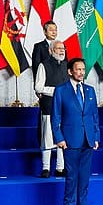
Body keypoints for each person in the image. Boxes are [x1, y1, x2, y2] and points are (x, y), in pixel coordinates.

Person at [51, 57, 99, 205]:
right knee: (71, 175)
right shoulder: (61, 90)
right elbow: (56, 116)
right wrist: (59, 137)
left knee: (85, 175)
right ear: (70, 71)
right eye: (78, 69)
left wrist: (96, 137)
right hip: (70, 139)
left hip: (88, 138)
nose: (81, 72)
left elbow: (94, 116)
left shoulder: (90, 90)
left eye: (83, 70)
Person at [34, 40, 68, 177]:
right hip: (48, 106)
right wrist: (57, 91)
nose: (61, 51)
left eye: (63, 48)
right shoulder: (44, 65)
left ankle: (60, 168)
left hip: (64, 108)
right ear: (51, 50)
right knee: (47, 137)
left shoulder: (67, 65)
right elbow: (38, 87)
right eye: (58, 48)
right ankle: (46, 168)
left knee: (62, 137)